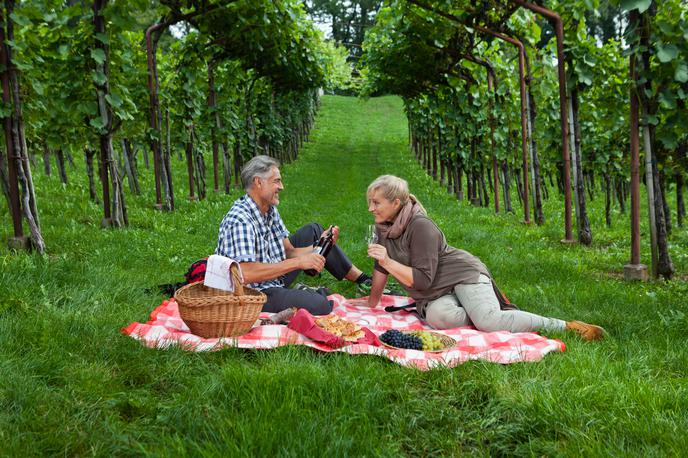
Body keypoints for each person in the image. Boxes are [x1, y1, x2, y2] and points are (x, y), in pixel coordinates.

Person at [357, 175, 605, 341]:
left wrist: (389, 261)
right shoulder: (384, 226)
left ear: (397, 202)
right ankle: (476, 308)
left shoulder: (421, 226)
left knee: (488, 321)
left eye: (375, 202)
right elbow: (381, 266)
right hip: (437, 291)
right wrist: (372, 302)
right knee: (439, 319)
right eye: (370, 202)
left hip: (462, 275)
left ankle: (565, 326)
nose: (371, 208)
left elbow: (420, 280)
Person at [215, 155, 372, 315]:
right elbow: (246, 273)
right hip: (251, 294)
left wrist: (322, 245)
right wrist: (299, 263)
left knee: (314, 230)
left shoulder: (269, 210)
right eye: (276, 181)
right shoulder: (240, 220)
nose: (281, 186)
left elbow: (289, 251)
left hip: (272, 278)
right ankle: (308, 294)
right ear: (258, 182)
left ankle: (363, 280)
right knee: (321, 305)